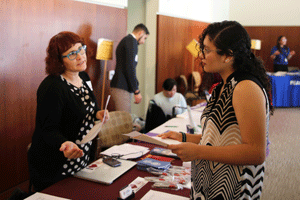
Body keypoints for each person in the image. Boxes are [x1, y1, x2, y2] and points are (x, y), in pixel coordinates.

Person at [159, 21, 274, 199]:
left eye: (207, 50)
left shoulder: (245, 88)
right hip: (208, 183)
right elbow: (219, 138)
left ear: (228, 55)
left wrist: (197, 151)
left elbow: (256, 152)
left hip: (231, 187)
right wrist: (184, 138)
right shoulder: (224, 85)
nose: (201, 55)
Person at [28, 31, 109, 191]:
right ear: (59, 61)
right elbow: (48, 130)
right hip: (56, 161)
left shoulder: (84, 77)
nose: (80, 56)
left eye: (81, 49)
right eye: (72, 54)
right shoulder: (52, 87)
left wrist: (97, 113)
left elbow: (86, 106)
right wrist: (64, 144)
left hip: (82, 157)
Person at [110, 23, 149, 113]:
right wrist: (136, 91)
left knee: (125, 119)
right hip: (121, 86)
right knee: (124, 121)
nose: (143, 42)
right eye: (144, 38)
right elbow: (130, 68)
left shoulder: (128, 41)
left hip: (122, 86)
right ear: (141, 33)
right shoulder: (131, 42)